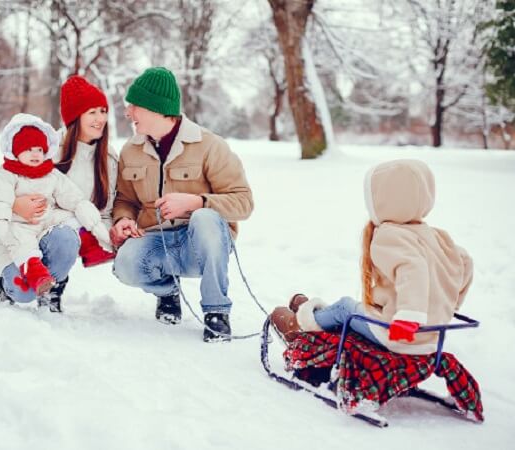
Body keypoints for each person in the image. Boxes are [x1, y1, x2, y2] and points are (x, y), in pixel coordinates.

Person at [110, 67, 254, 343]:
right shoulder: (131, 150)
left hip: (201, 244)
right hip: (158, 240)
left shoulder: (210, 146)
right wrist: (123, 220)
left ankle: (216, 311)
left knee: (204, 218)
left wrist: (196, 202)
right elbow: (125, 200)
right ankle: (167, 293)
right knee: (125, 264)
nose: (128, 112)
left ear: (156, 109)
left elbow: (244, 202)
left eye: (135, 106)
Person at [271, 159, 473, 355]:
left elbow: (413, 269)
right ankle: (316, 314)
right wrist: (448, 305)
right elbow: (464, 262)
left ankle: (298, 326)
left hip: (398, 334)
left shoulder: (391, 235)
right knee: (355, 307)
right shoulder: (435, 235)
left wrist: (408, 318)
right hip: (432, 336)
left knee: (345, 306)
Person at [0, 113, 112, 312]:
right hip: (12, 240)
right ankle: (5, 286)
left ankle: (50, 288)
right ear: (15, 150)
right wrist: (12, 207)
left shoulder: (51, 175)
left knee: (69, 232)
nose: (35, 154)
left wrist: (95, 227)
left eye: (39, 149)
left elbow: (75, 198)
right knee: (23, 291)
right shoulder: (5, 175)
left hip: (43, 229)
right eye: (29, 149)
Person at [14, 75, 117, 269]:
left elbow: (110, 208)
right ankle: (46, 283)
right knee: (64, 240)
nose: (100, 119)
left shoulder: (109, 157)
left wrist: (111, 232)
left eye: (103, 111)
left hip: (90, 229)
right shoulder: (46, 152)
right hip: (45, 231)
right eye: (92, 112)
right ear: (75, 118)